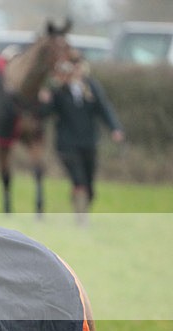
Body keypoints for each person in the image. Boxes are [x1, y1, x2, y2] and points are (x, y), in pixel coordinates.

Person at [40, 49, 124, 224]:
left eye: (78, 66)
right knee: (79, 181)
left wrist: (115, 128)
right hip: (66, 145)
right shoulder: (58, 90)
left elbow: (103, 109)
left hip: (89, 142)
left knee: (90, 186)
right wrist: (45, 100)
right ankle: (81, 220)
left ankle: (81, 207)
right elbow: (44, 114)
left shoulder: (91, 87)